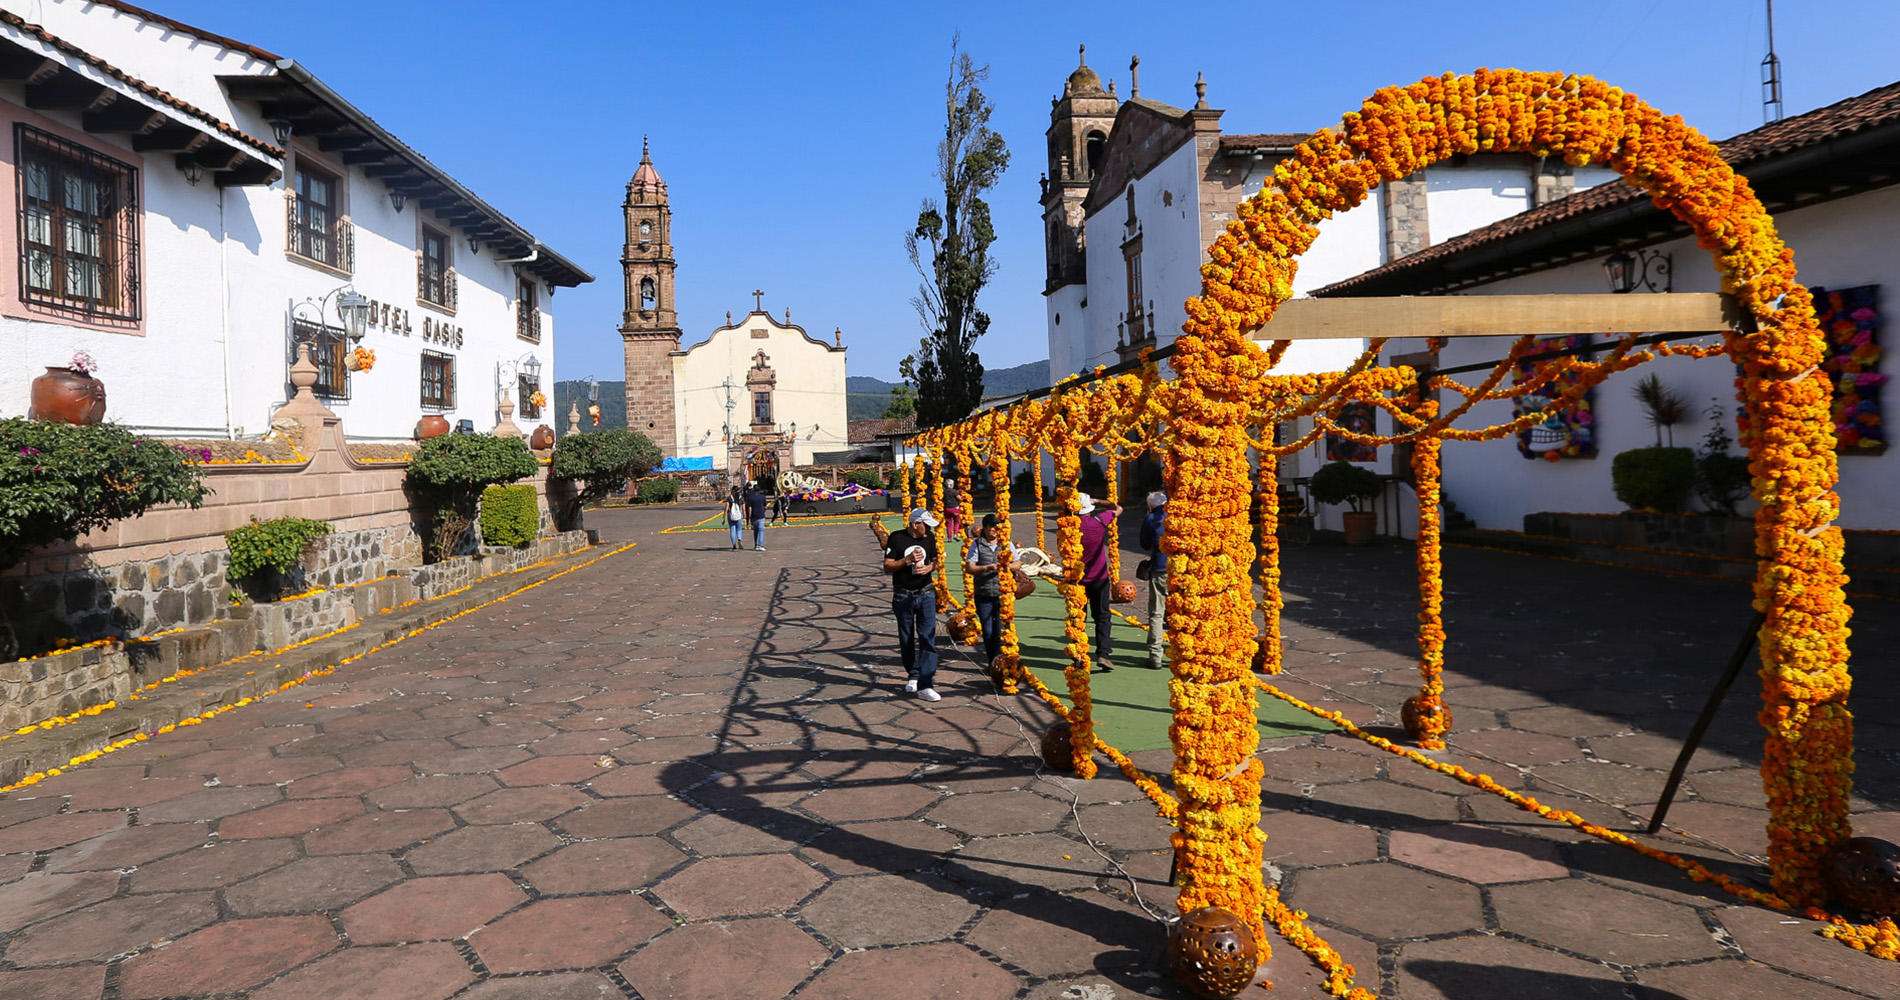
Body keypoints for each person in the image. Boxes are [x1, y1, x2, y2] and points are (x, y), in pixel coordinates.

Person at [883, 508, 942, 701]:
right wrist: (907, 560)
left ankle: (926, 683)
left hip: (925, 593)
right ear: (914, 524)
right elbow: (887, 566)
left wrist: (929, 568)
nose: (927, 530)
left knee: (927, 637)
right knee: (906, 637)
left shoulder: (929, 538)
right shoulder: (897, 538)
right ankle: (913, 674)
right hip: (903, 595)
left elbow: (936, 560)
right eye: (925, 525)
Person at [1073, 491, 1121, 671]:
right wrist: (1099, 499)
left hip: (1077, 580)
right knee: (1102, 616)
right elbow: (1118, 508)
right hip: (1099, 578)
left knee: (1078, 617)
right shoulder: (1099, 522)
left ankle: (1078, 655)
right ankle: (1103, 654)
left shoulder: (1068, 527)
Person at [965, 513, 1009, 665]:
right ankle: (992, 659)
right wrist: (987, 568)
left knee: (999, 631)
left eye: (998, 526)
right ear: (984, 528)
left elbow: (1018, 563)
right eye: (992, 526)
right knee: (988, 631)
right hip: (983, 593)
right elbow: (970, 567)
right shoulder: (977, 545)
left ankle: (997, 662)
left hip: (1002, 594)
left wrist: (1006, 566)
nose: (995, 530)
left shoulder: (1005, 543)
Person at [1138, 491, 1168, 669]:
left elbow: (1145, 544)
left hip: (1160, 568)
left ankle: (1156, 655)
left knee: (1157, 612)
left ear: (1150, 505)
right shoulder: (1179, 514)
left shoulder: (1151, 519)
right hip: (1183, 570)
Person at [745, 482, 769, 550]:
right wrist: (763, 511)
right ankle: (760, 545)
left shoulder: (750, 498)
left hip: (754, 515)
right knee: (761, 530)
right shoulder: (762, 497)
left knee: (755, 531)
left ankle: (756, 544)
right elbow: (765, 506)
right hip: (761, 515)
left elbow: (750, 508)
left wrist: (749, 517)